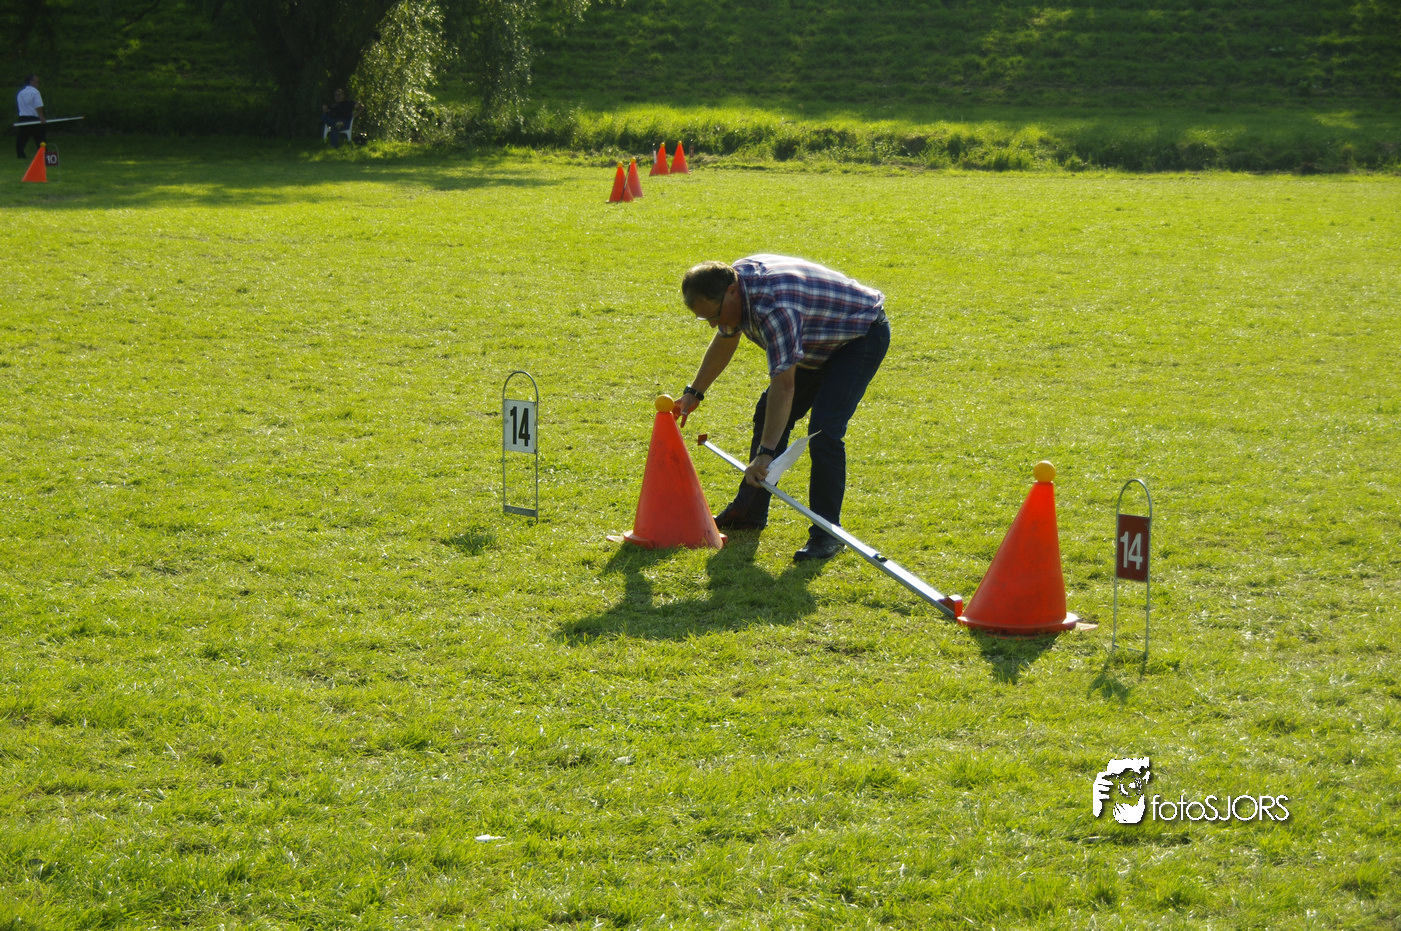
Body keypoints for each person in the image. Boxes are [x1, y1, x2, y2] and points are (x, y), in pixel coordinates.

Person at [675, 254, 891, 562]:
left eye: (714, 314)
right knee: (768, 413)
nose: (713, 323)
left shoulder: (774, 308)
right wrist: (694, 392)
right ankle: (749, 512)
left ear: (732, 292)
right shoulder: (731, 287)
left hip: (859, 336)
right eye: (705, 318)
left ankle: (827, 534)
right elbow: (726, 338)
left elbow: (784, 386)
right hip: (816, 338)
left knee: (824, 431)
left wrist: (765, 453)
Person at [15, 74, 45, 161]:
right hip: (33, 118)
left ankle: (20, 154)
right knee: (40, 137)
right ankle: (44, 154)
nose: (38, 84)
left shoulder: (21, 93)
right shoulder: (35, 92)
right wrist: (42, 117)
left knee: (22, 138)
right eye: (37, 82)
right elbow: (38, 106)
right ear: (31, 82)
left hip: (23, 118)